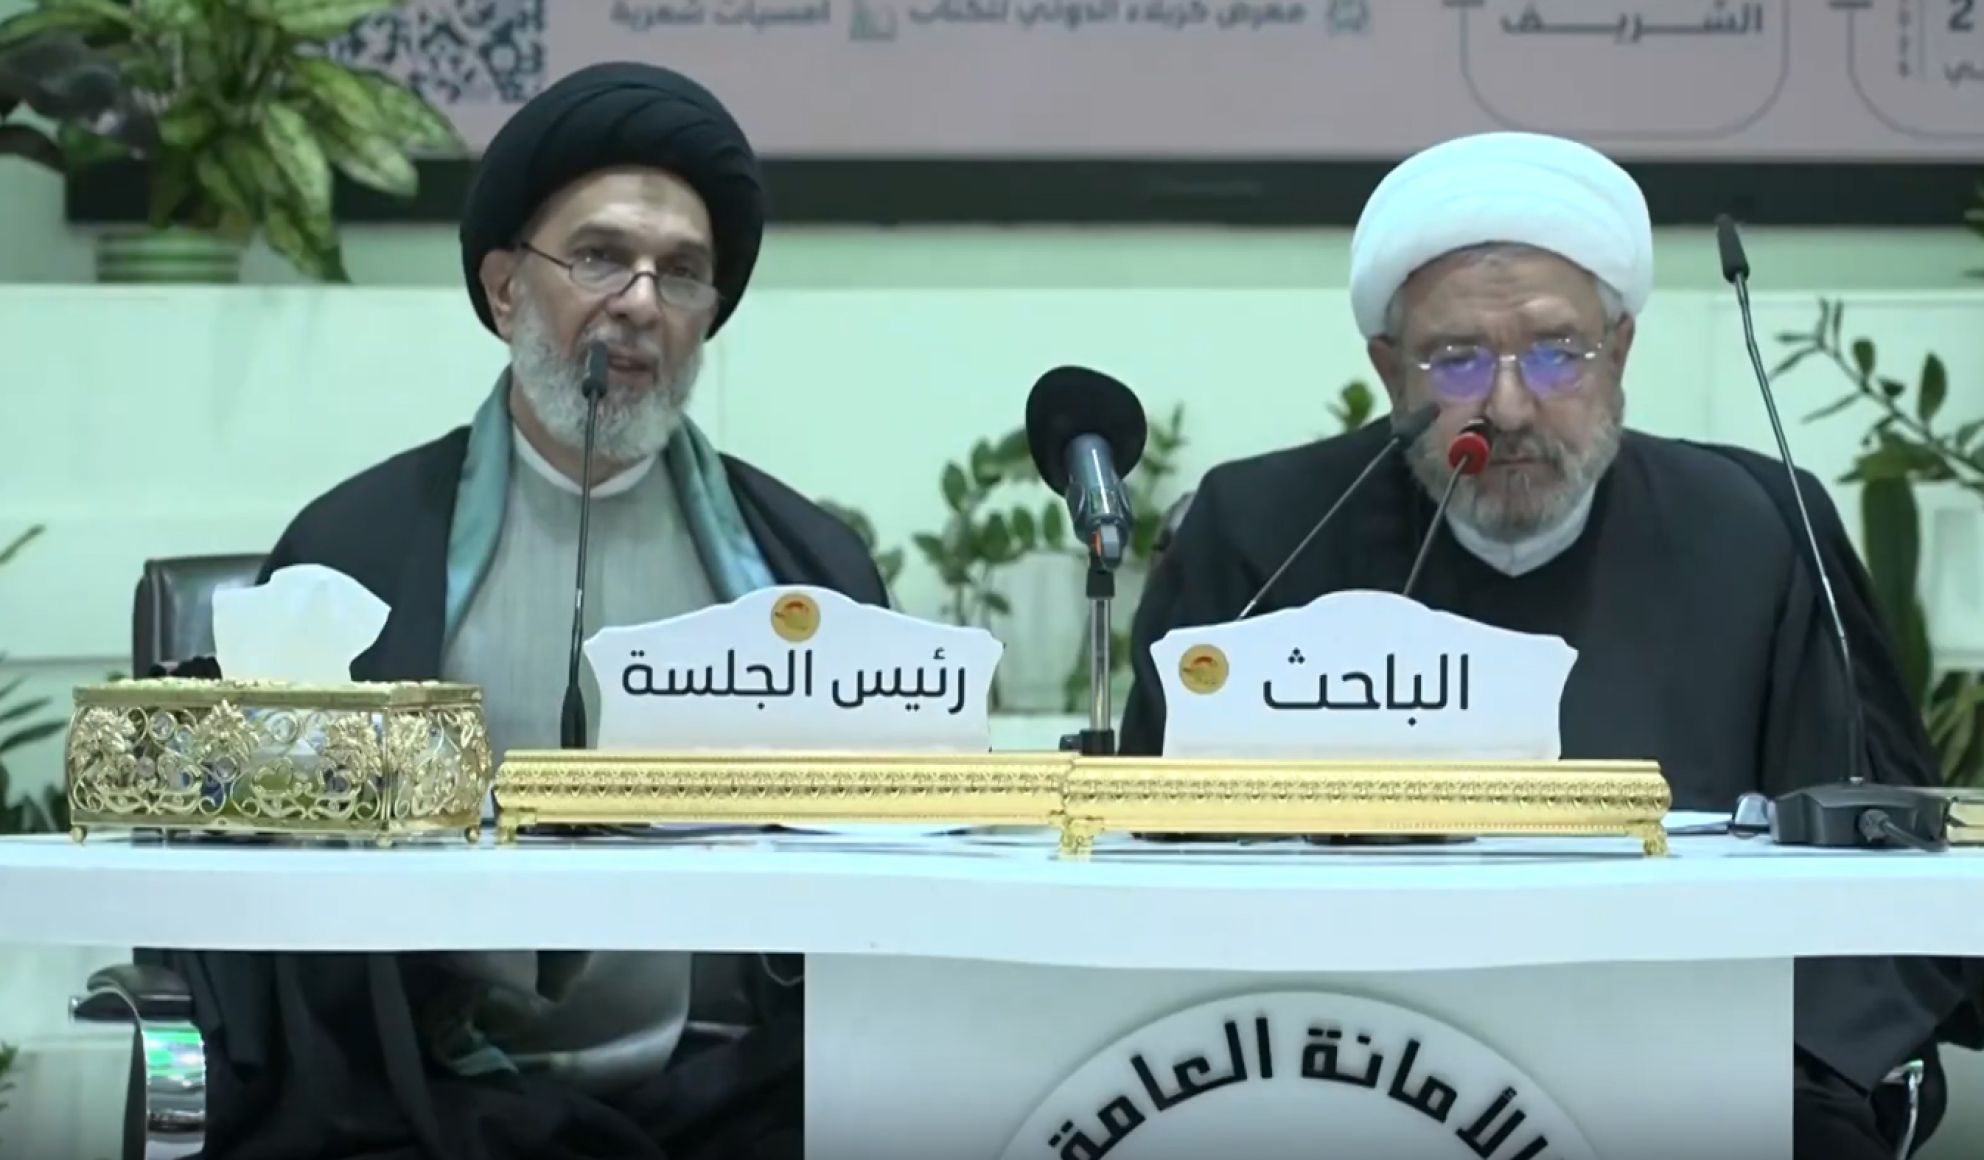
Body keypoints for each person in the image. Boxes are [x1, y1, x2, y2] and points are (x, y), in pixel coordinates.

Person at [1119, 131, 1975, 1159]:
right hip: (1332, 1068)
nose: (1510, 404)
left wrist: (1775, 1076)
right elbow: (1152, 868)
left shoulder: (1756, 527)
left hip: (1697, 1079)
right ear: (1388, 370)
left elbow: (1876, 883)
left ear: (1620, 351)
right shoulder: (1263, 530)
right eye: (1456, 358)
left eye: (1557, 351)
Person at [152, 62, 884, 1160]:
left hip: (735, 1094)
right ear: (504, 291)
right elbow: (255, 898)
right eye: (599, 257)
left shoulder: (809, 574)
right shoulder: (352, 552)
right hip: (428, 1098)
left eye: (683, 273)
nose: (640, 303)